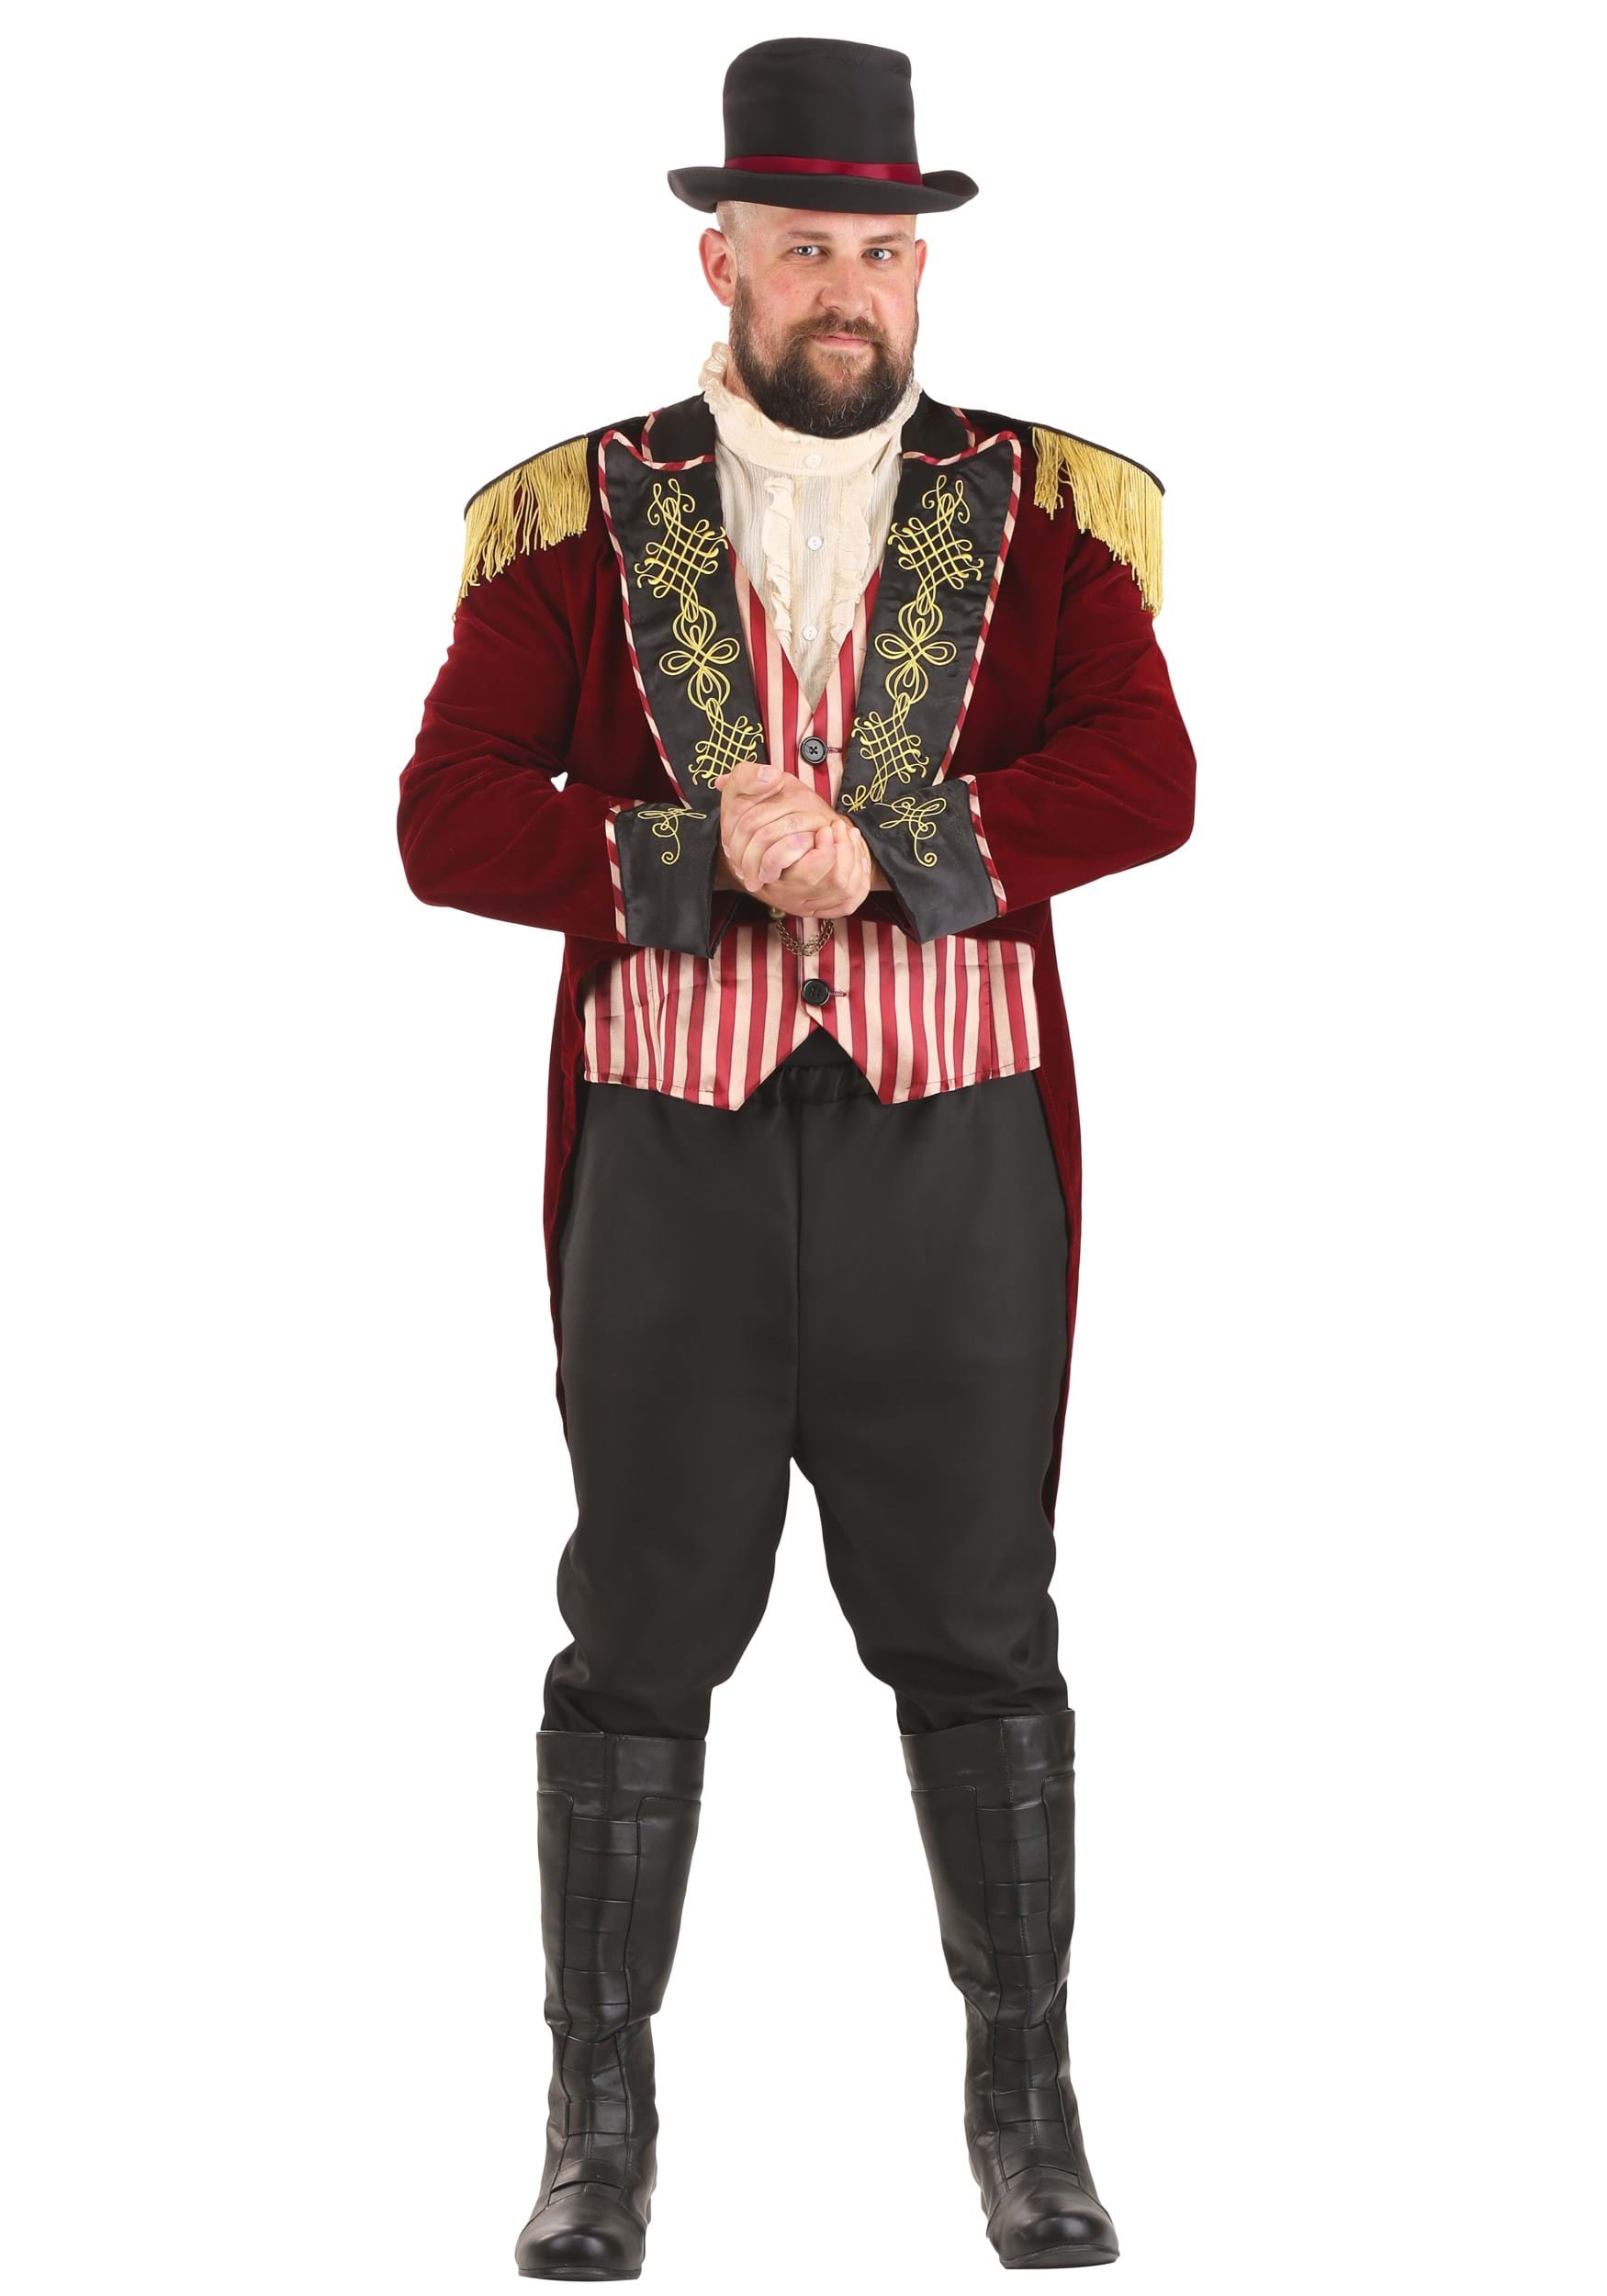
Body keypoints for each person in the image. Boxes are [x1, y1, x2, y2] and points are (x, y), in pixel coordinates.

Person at [399, 35, 1196, 2279]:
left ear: (916, 268)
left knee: (979, 1622)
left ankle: (1026, 2103)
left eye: (878, 249)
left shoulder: (1044, 512)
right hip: (672, 1152)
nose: (844, 286)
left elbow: (1143, 776)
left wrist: (899, 846)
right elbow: (446, 814)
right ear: (719, 259)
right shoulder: (577, 516)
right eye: (801, 246)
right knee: (639, 1624)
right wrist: (686, 854)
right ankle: (596, 2120)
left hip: (955, 1154)